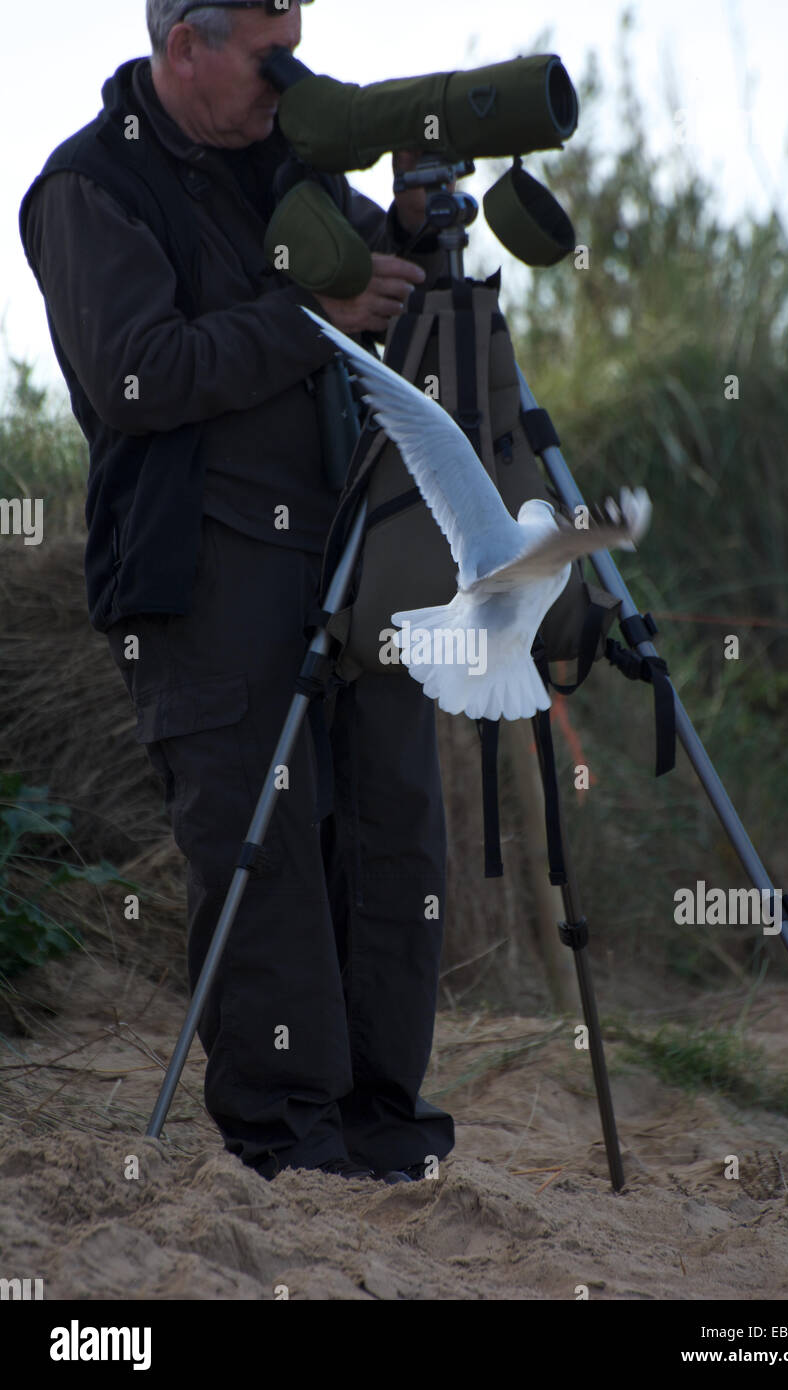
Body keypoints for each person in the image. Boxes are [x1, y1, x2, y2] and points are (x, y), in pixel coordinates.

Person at [19, 0, 455, 1184]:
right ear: (183, 45)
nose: (291, 76)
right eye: (270, 55)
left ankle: (381, 1126)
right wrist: (308, 315)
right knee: (262, 858)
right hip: (202, 570)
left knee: (391, 837)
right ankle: (289, 1144)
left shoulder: (290, 165)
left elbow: (402, 325)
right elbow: (136, 375)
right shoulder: (89, 188)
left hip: (347, 558)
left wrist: (419, 229)